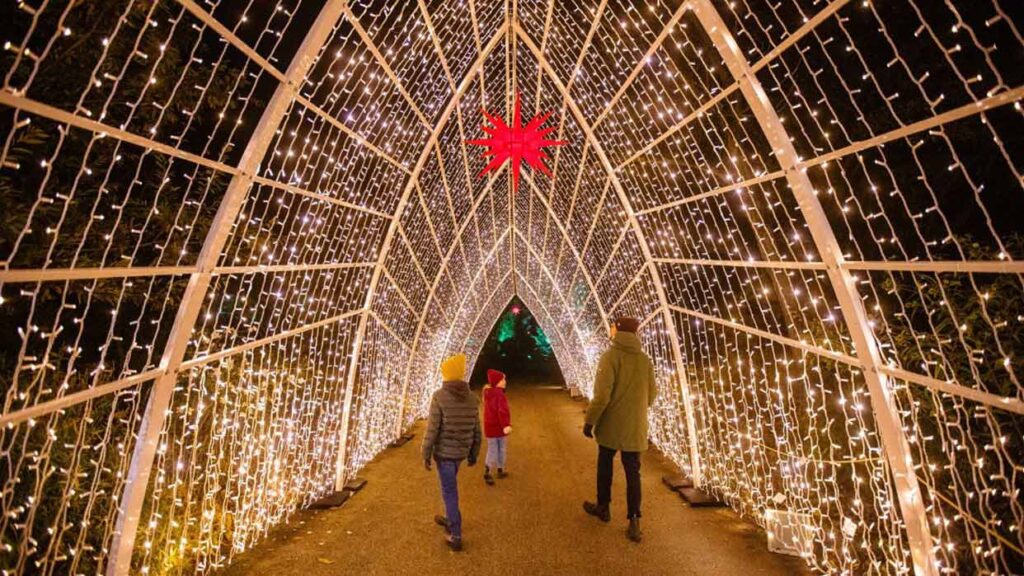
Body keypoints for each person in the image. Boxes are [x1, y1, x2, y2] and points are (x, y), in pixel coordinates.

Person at [582, 317, 658, 543]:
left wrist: (590, 421)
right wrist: (634, 409)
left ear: (619, 330)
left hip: (611, 425)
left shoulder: (610, 357)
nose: (611, 330)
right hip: (635, 426)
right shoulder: (645, 360)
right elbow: (652, 394)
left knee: (605, 464)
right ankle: (634, 521)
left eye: (613, 326)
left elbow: (602, 396)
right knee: (633, 473)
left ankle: (603, 507)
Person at [422, 353, 482, 551]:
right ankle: (450, 517)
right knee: (450, 487)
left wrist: (426, 452)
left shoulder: (439, 397)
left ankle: (455, 534)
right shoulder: (472, 398)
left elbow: (432, 428)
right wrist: (474, 453)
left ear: (447, 375)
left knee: (449, 491)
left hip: (445, 454)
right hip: (460, 453)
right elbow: (476, 430)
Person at [482, 368, 512, 485]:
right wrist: (506, 425)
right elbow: (502, 411)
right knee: (501, 448)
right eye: (503, 379)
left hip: (489, 427)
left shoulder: (488, 393)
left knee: (492, 448)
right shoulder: (499, 395)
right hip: (499, 427)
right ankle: (497, 469)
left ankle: (490, 469)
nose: (505, 381)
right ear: (497, 382)